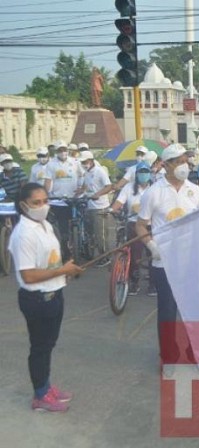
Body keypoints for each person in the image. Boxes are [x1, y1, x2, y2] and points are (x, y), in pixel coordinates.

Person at [8, 183, 83, 412]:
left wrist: (64, 271)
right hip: (37, 300)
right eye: (36, 203)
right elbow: (28, 275)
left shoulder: (45, 224)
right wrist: (62, 271)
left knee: (48, 345)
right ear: (23, 205)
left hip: (54, 294)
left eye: (45, 200)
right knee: (40, 348)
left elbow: (51, 260)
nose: (42, 206)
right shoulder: (23, 234)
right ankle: (40, 395)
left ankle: (46, 386)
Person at [136, 143, 199, 368]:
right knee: (167, 310)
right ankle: (168, 357)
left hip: (191, 261)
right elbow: (140, 225)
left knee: (194, 309)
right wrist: (151, 245)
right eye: (177, 161)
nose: (183, 165)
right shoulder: (153, 192)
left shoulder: (196, 191)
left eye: (185, 160)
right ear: (165, 165)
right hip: (164, 262)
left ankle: (195, 352)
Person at [111, 161, 154, 296]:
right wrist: (112, 209)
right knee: (134, 254)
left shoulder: (155, 188)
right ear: (136, 175)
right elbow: (119, 202)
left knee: (153, 254)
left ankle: (153, 284)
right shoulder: (129, 188)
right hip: (133, 224)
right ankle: (134, 282)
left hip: (151, 225)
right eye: (141, 172)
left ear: (150, 174)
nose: (143, 175)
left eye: (146, 172)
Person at [46, 141, 83, 261]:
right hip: (59, 201)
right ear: (56, 152)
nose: (63, 152)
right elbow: (48, 181)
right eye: (60, 150)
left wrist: (81, 188)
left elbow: (82, 176)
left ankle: (82, 242)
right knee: (63, 229)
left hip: (74, 199)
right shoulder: (51, 165)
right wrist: (46, 194)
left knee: (78, 221)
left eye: (64, 149)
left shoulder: (75, 162)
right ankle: (66, 251)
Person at [78, 151, 114, 267]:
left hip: (100, 207)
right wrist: (79, 191)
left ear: (91, 161)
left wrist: (98, 194)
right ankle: (96, 255)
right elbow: (85, 186)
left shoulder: (100, 171)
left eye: (86, 162)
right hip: (90, 207)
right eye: (82, 162)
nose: (84, 164)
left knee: (101, 235)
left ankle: (106, 257)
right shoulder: (86, 173)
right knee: (92, 233)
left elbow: (109, 186)